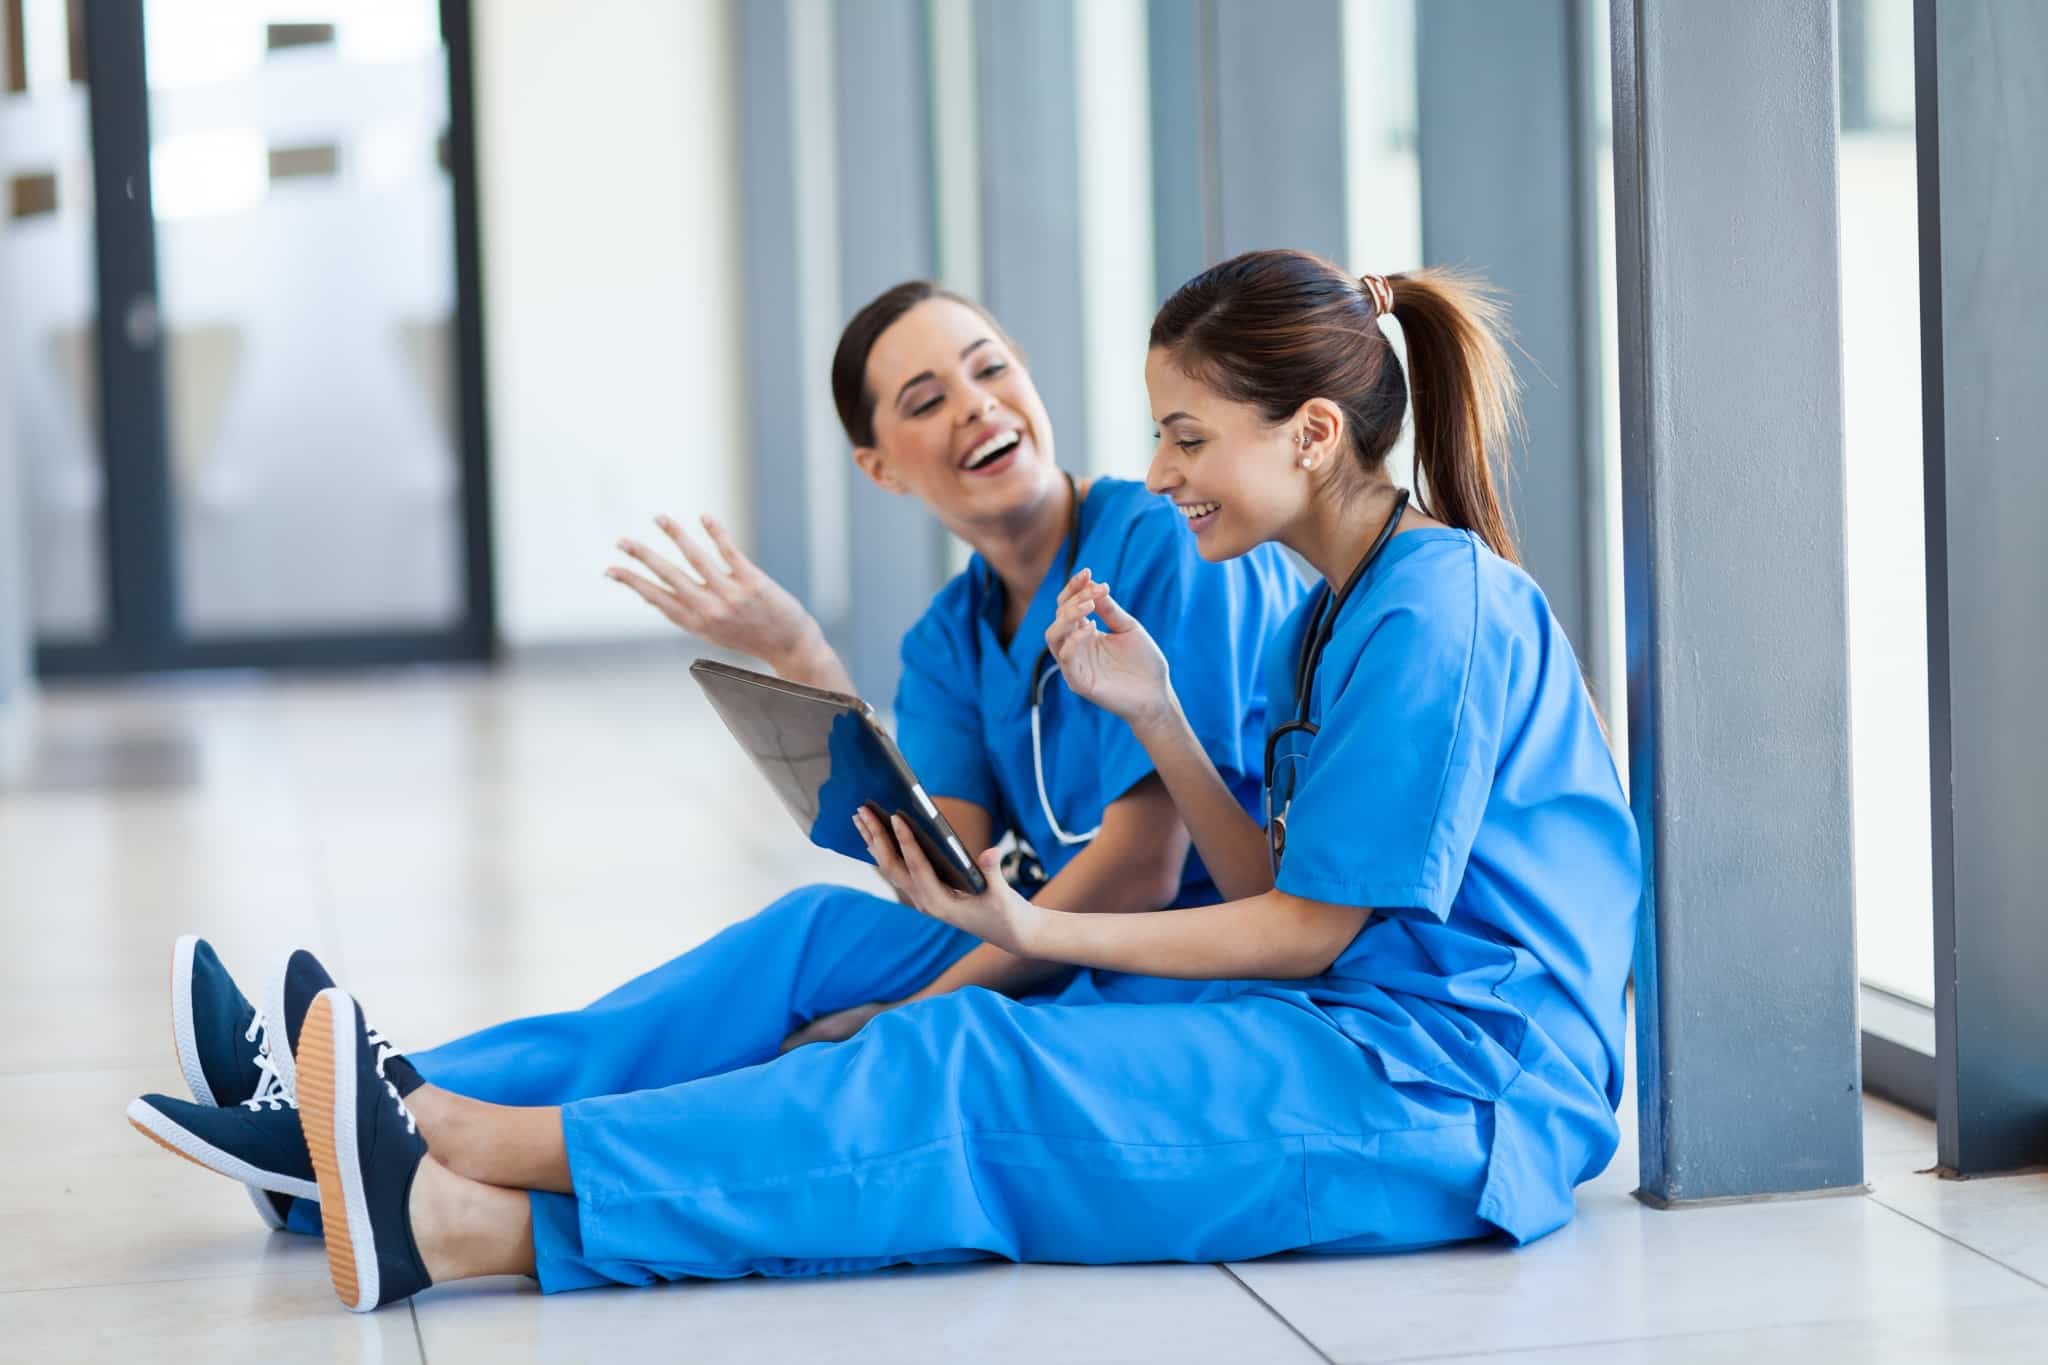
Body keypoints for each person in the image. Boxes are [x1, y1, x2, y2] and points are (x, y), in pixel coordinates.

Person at [123, 280, 1303, 1308]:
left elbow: (1147, 872)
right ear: (878, 466)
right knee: (804, 939)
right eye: (925, 398)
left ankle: (355, 1134)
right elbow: (947, 865)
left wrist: (909, 1008)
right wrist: (803, 661)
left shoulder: (1149, 542)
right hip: (1060, 933)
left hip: (1166, 950)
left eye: (988, 369)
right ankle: (352, 1121)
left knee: (902, 1035)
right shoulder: (953, 632)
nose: (976, 406)